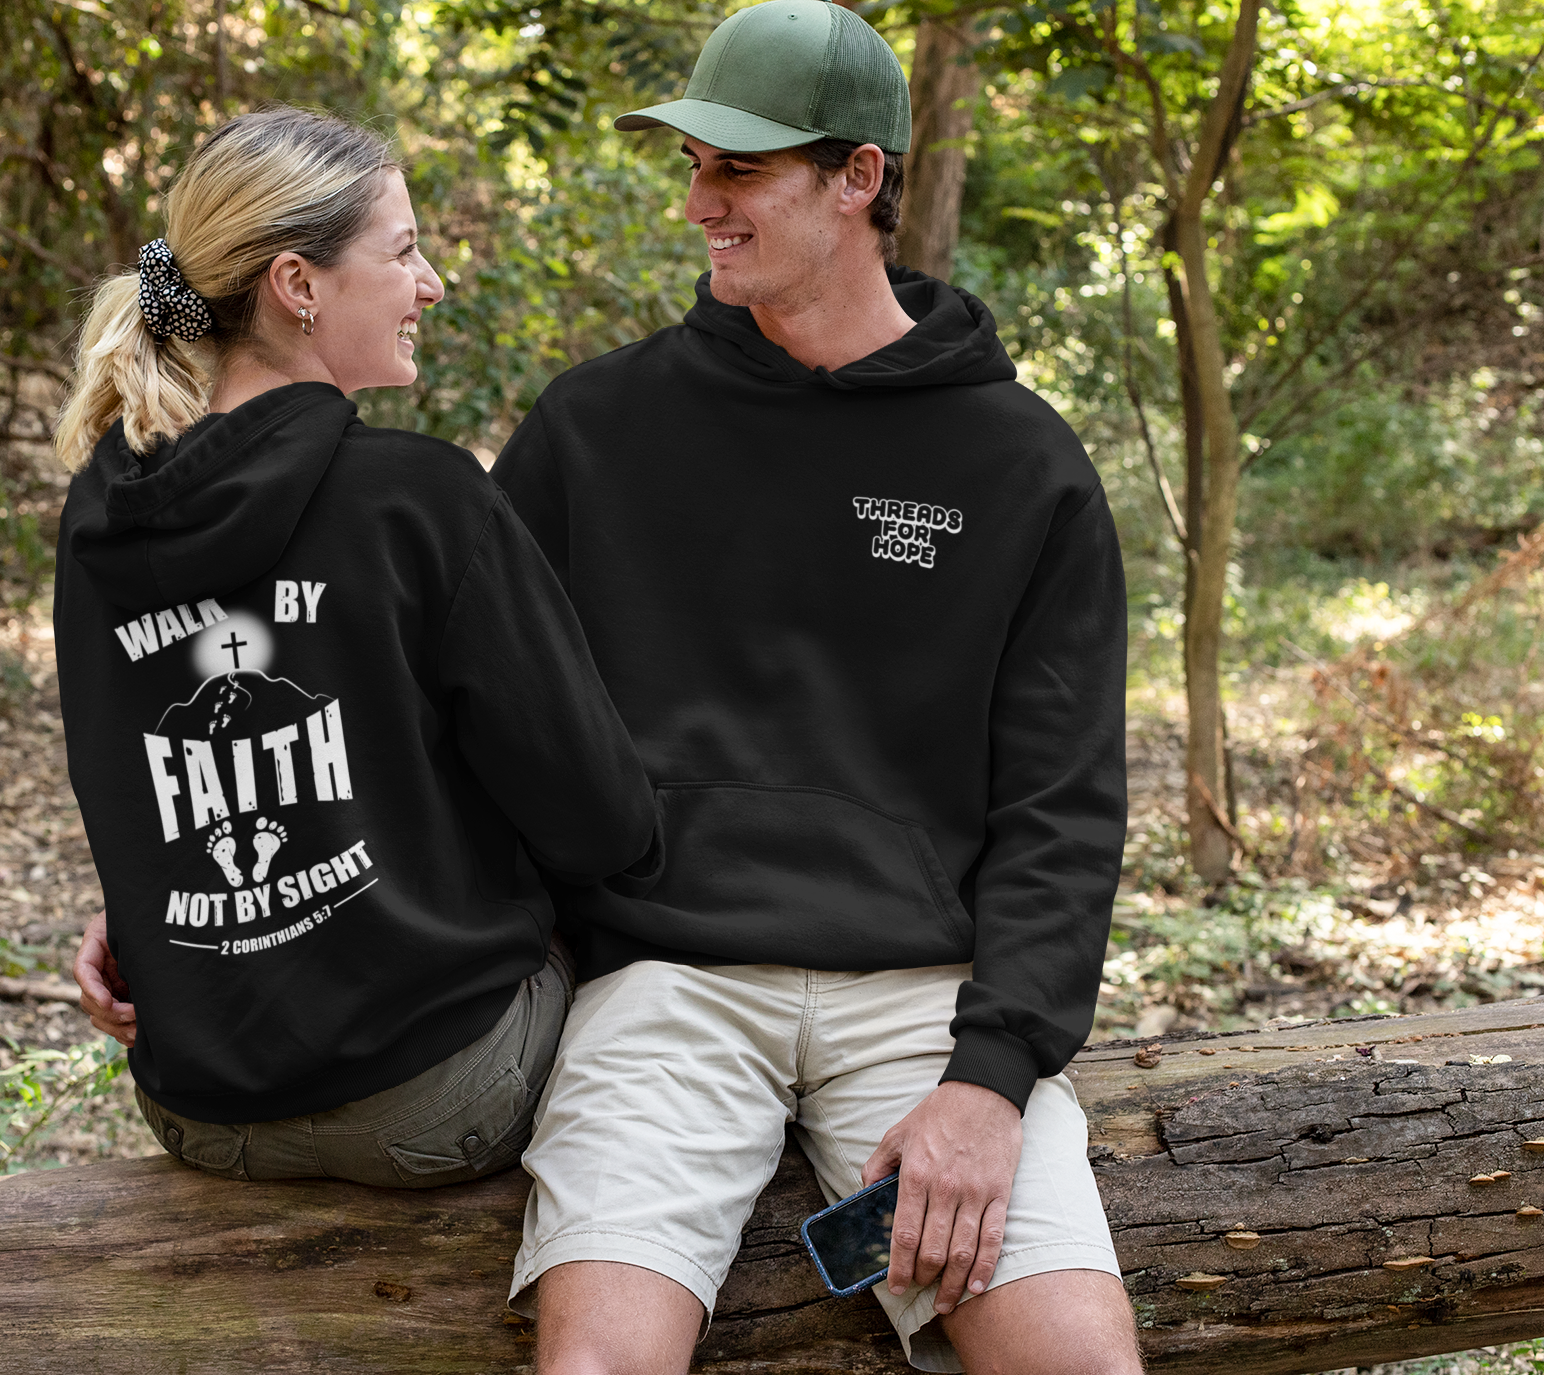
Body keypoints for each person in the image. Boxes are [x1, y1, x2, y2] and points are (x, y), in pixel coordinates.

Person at [487, 4, 1138, 1372]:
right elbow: (454, 713)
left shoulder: (1019, 465)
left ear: (859, 178)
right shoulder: (592, 433)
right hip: (665, 978)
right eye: (694, 166)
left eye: (738, 171)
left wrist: (994, 1073)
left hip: (926, 992)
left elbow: (1063, 804)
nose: (697, 202)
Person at [55, 105, 659, 1190]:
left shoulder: (103, 514)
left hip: (198, 1108)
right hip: (428, 1098)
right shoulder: (419, 501)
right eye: (405, 251)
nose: (431, 286)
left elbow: (134, 782)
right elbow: (601, 819)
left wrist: (145, 910)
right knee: (665, 985)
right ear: (298, 285)